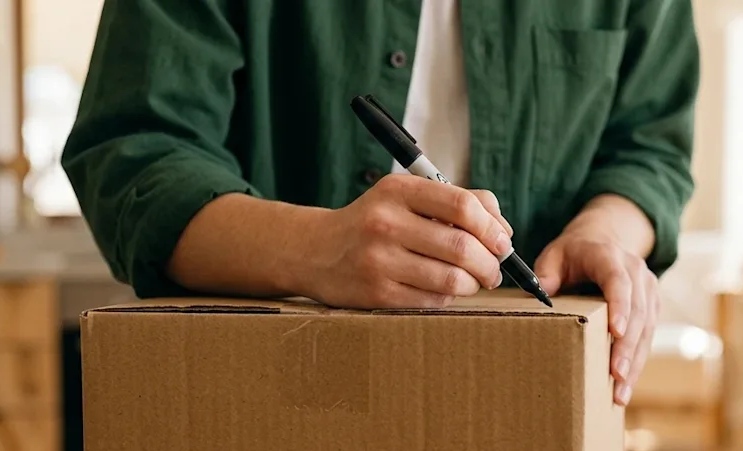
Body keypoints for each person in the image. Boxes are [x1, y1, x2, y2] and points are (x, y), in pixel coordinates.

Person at [63, 0, 699, 406]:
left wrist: (605, 230)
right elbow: (134, 157)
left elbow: (649, 150)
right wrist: (312, 249)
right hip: (258, 405)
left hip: (530, 398)